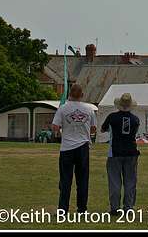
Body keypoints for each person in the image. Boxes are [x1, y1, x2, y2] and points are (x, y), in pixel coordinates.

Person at [51, 83, 97, 217]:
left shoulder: (63, 109)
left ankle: (63, 210)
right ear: (82, 95)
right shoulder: (88, 110)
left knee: (65, 180)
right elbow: (93, 128)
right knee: (82, 180)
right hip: (83, 147)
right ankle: (82, 209)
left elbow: (54, 127)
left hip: (67, 148)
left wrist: (62, 127)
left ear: (69, 95)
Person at [100, 92, 141, 216]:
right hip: (131, 152)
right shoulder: (135, 119)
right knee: (130, 181)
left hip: (115, 153)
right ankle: (128, 207)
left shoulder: (112, 117)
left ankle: (115, 207)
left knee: (114, 181)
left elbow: (102, 129)